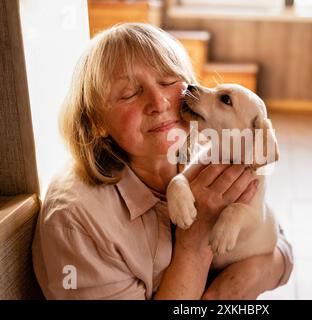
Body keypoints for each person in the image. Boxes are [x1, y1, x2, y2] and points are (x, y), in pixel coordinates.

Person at [32, 23, 293, 300]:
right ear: (97, 122)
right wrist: (194, 245)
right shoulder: (77, 222)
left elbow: (281, 249)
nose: (159, 102)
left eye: (168, 82)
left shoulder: (206, 146)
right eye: (129, 93)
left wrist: (233, 287)